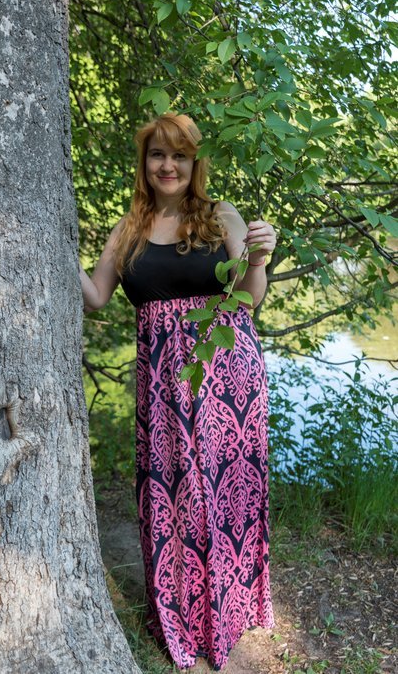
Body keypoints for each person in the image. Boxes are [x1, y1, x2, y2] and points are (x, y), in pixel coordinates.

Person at [80, 112, 276, 672]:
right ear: (144, 163)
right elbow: (95, 296)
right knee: (172, 492)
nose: (168, 165)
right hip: (163, 382)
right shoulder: (129, 228)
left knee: (222, 491)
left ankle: (230, 609)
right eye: (157, 155)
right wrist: (54, 242)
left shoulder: (220, 216)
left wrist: (259, 257)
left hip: (226, 373)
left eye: (180, 156)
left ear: (195, 164)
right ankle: (183, 613)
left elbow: (251, 296)